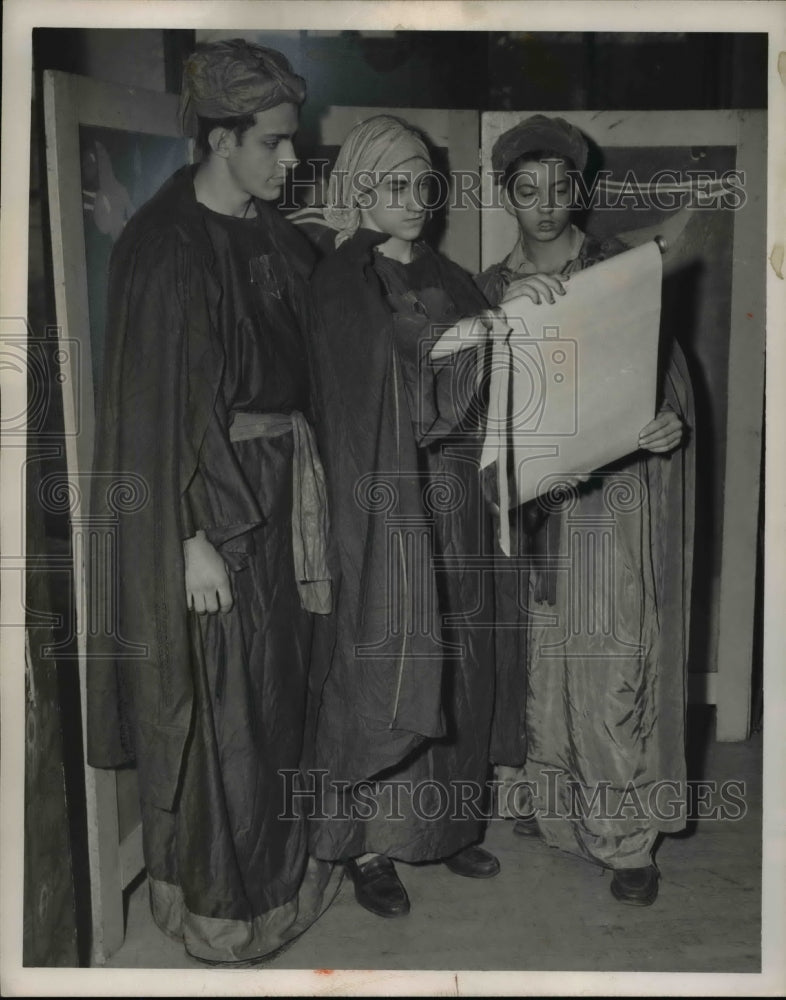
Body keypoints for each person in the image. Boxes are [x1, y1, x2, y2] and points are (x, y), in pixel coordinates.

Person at [86, 39, 339, 963]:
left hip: (286, 496)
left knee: (282, 700)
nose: (289, 159)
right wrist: (184, 535)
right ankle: (226, 908)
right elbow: (152, 415)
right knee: (227, 712)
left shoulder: (272, 230)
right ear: (221, 138)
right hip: (215, 508)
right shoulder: (168, 247)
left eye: (291, 141)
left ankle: (288, 878)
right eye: (273, 143)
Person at [302, 115, 520, 919]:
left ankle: (445, 827)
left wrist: (510, 320)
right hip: (383, 498)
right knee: (384, 653)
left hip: (454, 500)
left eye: (424, 183)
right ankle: (368, 846)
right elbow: (366, 375)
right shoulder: (342, 278)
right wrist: (457, 336)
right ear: (360, 186)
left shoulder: (451, 272)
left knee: (456, 652)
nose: (416, 199)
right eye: (396, 183)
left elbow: (492, 372)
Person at [477, 114, 695, 906]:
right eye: (527, 189)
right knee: (541, 660)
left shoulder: (621, 273)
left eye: (560, 188)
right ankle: (557, 808)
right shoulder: (490, 291)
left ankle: (625, 838)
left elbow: (665, 381)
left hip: (614, 501)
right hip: (534, 512)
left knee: (611, 667)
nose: (545, 204)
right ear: (505, 194)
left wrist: (671, 426)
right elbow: (466, 413)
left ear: (581, 190)